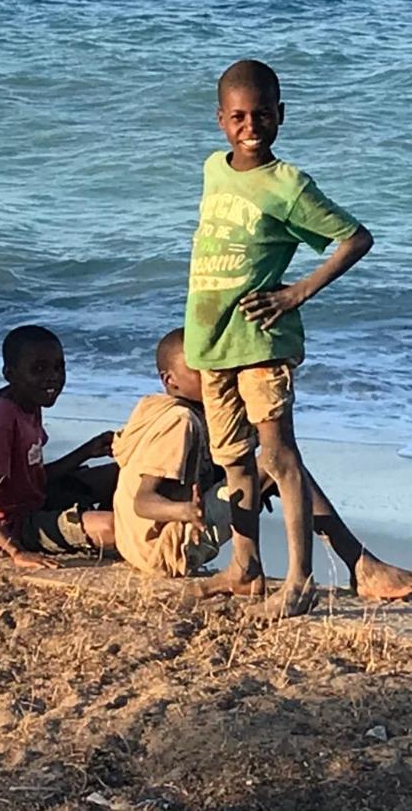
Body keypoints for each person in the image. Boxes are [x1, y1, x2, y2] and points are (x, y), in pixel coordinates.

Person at [184, 59, 375, 618]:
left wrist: (297, 294)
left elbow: (354, 238)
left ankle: (300, 581)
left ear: (280, 115)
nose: (251, 125)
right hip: (212, 342)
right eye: (239, 116)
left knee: (279, 455)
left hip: (262, 343)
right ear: (221, 120)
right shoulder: (213, 169)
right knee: (234, 462)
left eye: (262, 114)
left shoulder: (289, 185)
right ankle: (245, 568)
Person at [114, 328, 412, 600]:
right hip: (169, 546)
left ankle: (360, 564)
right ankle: (362, 565)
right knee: (279, 464)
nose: (215, 375)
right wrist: (186, 511)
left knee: (270, 469)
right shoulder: (180, 422)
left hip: (138, 546)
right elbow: (144, 501)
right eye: (201, 371)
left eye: (216, 365)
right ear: (170, 380)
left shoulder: (155, 408)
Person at [0, 325, 118, 569]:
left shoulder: (29, 403)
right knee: (112, 528)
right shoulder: (1, 417)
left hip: (32, 502)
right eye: (38, 369)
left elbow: (33, 478)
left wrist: (87, 451)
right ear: (10, 374)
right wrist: (15, 551)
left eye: (58, 367)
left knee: (120, 473)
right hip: (10, 527)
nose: (52, 376)